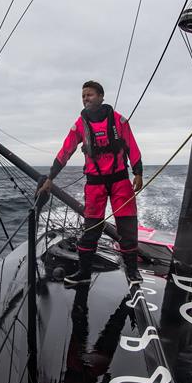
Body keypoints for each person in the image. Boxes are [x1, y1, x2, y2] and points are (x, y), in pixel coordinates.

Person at [38, 80, 143, 286]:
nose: (86, 98)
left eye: (90, 95)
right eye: (83, 95)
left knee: (127, 228)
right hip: (95, 184)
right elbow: (65, 152)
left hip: (120, 180)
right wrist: (50, 178)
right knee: (91, 229)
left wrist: (138, 172)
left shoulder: (119, 120)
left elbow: (132, 146)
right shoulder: (79, 125)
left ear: (101, 96)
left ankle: (132, 272)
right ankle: (84, 272)